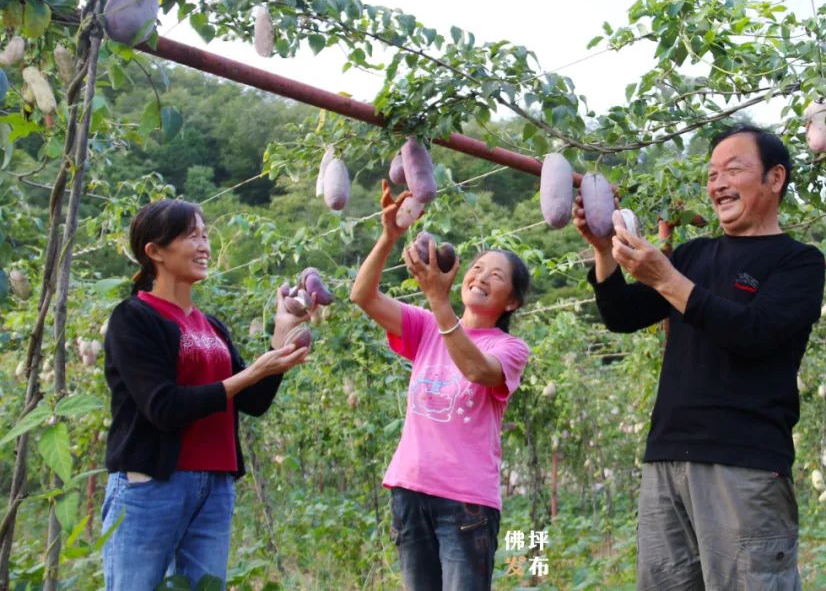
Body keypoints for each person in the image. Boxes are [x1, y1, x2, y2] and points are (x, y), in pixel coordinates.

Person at [575, 125, 825, 589]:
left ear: (775, 179)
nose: (717, 183)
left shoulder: (799, 262)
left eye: (733, 169)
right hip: (667, 457)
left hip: (744, 463)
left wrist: (666, 278)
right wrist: (601, 252)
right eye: (711, 174)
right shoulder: (694, 255)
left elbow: (755, 333)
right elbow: (622, 316)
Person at [101, 199, 310, 590]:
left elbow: (252, 400)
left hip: (214, 487)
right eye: (190, 236)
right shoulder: (134, 318)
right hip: (151, 485)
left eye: (205, 235)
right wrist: (251, 372)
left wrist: (281, 335)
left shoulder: (209, 325)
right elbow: (163, 407)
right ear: (155, 252)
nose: (204, 246)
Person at [350, 182, 531, 591]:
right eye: (478, 267)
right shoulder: (425, 325)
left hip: (466, 503)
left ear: (511, 302)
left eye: (496, 276)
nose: (481, 276)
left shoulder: (511, 348)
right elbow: (362, 295)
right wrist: (389, 236)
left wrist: (438, 300)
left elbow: (477, 371)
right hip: (409, 490)